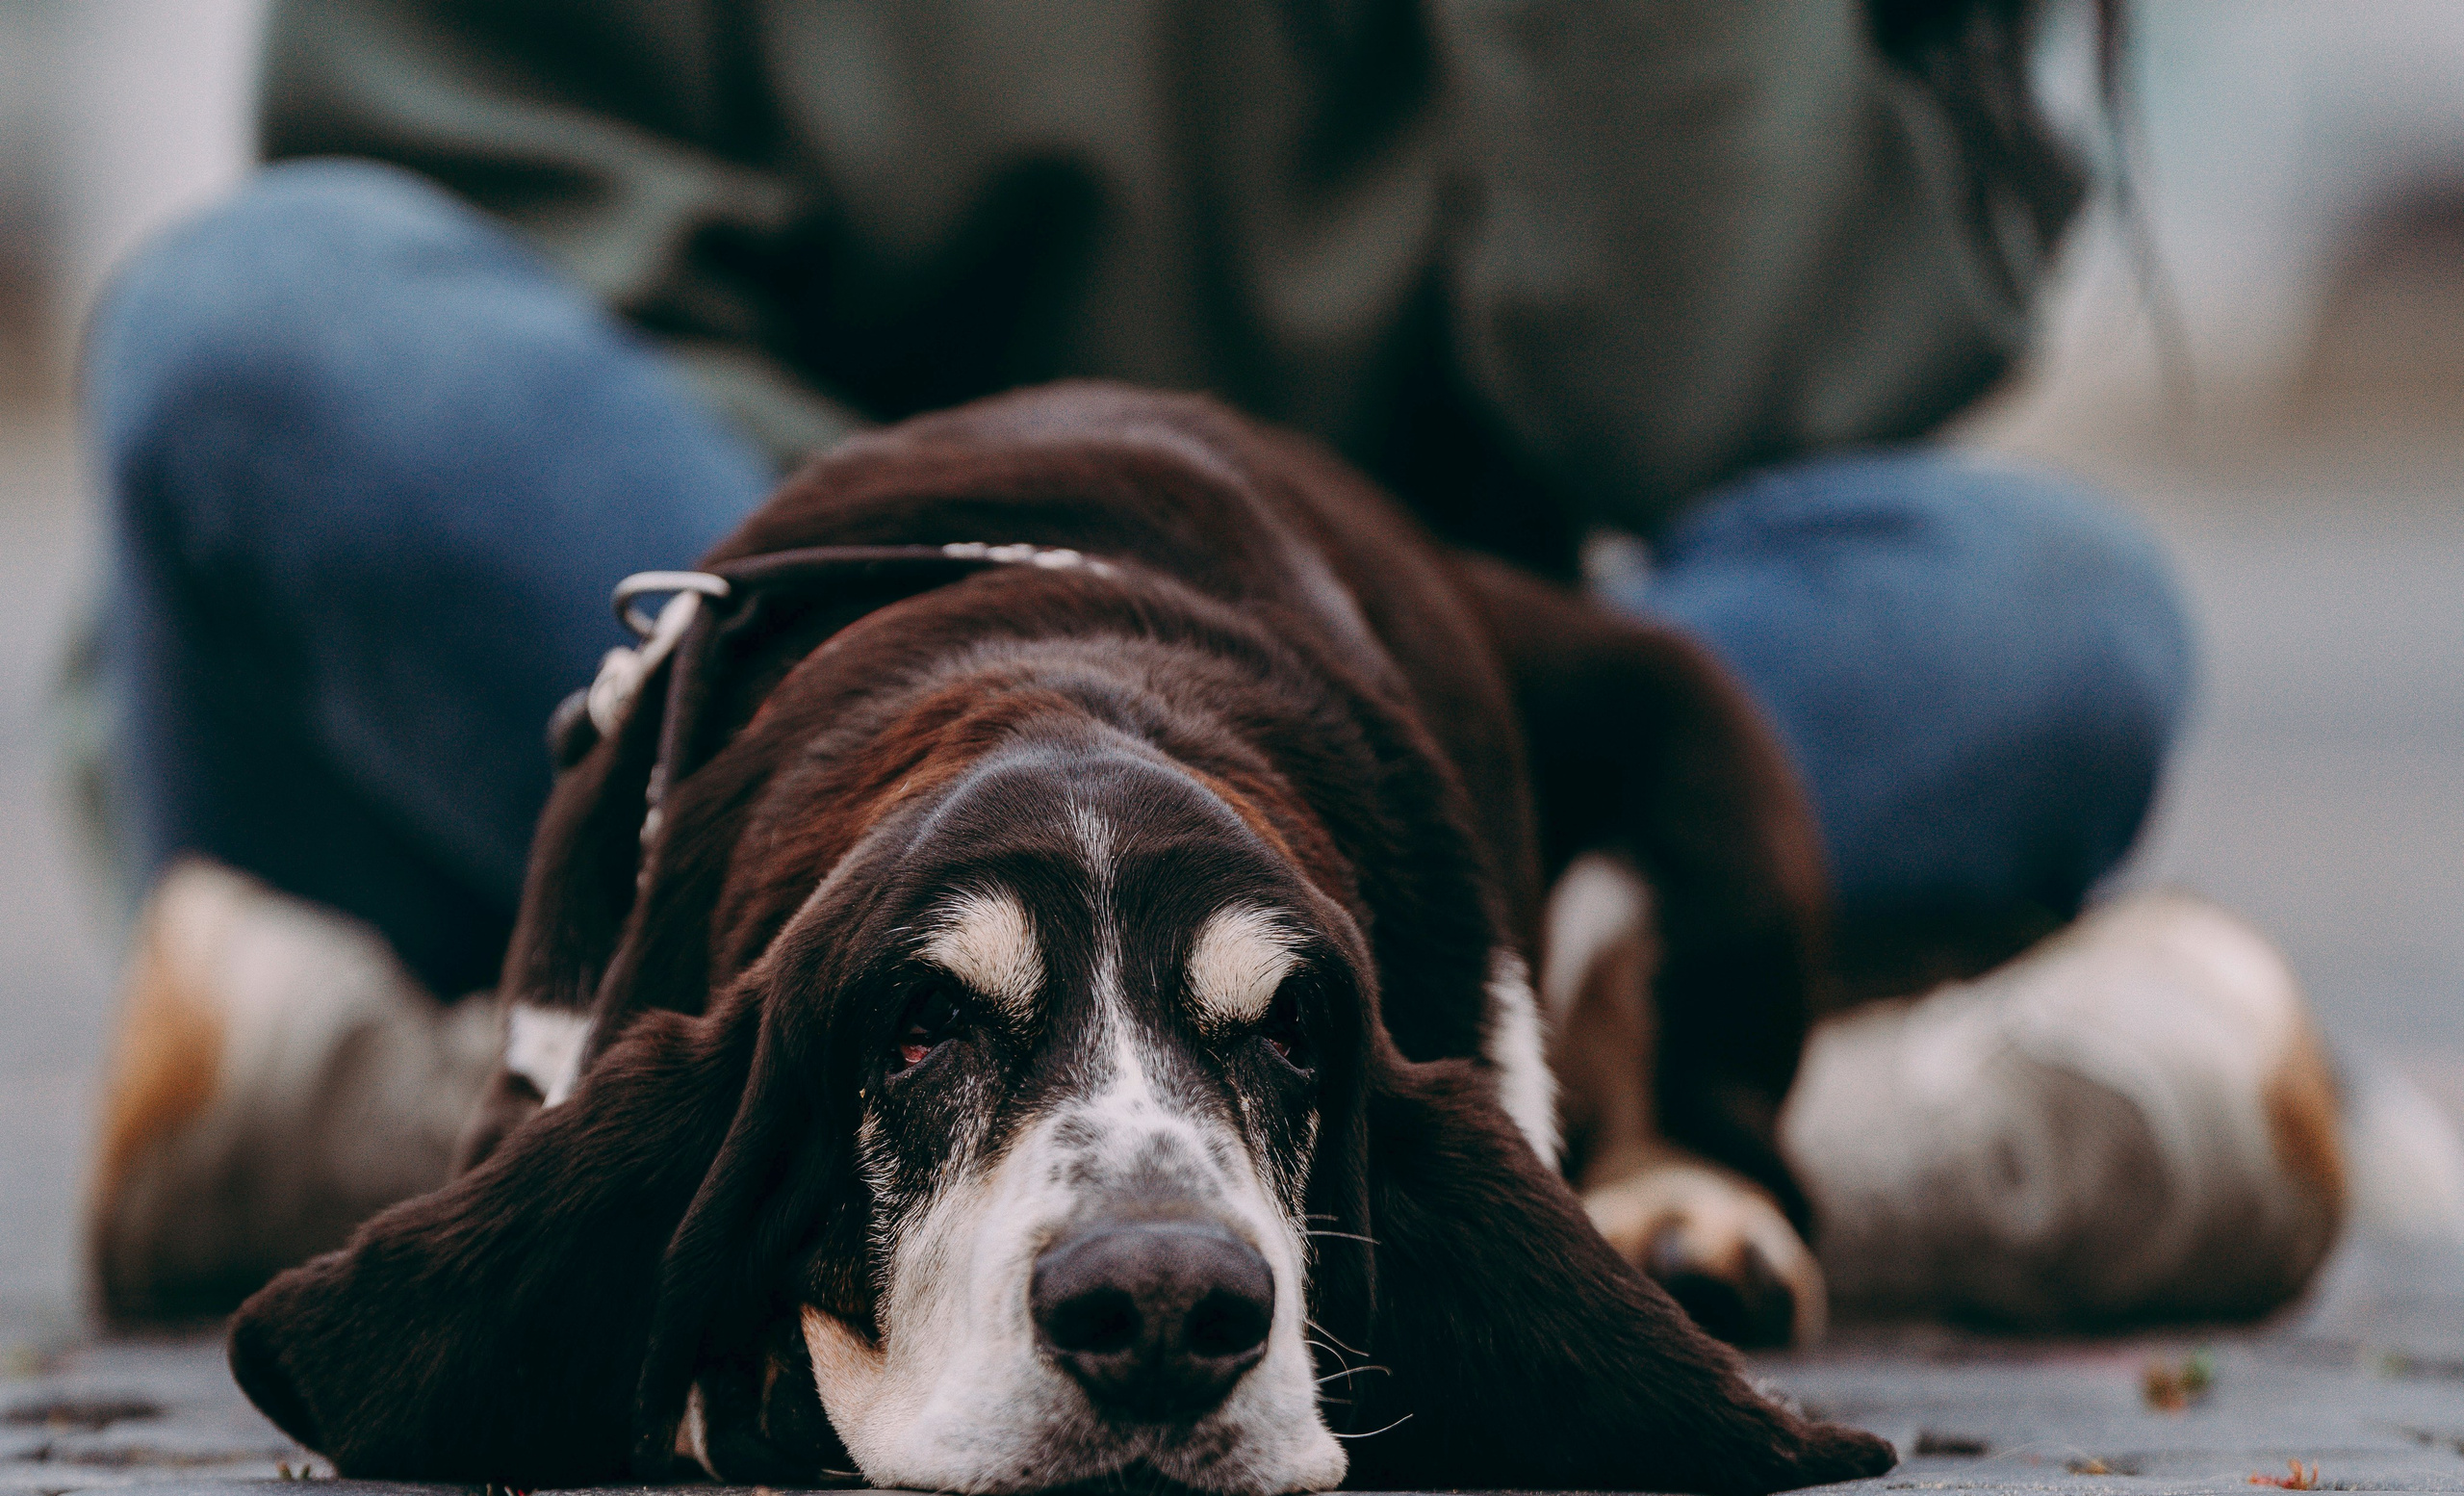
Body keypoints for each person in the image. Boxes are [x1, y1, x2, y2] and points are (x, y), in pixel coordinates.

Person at [80, 0, 2343, 1329]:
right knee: (265, 327)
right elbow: (476, 232)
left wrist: (1241, 692)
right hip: (694, 711)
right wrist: (1082, 601)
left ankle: (493, 1124)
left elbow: (1690, 386)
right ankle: (1620, 1125)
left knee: (2035, 609)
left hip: (1353, 737)